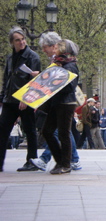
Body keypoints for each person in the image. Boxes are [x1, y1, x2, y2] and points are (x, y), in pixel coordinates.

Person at [31, 32, 82, 171]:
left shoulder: (69, 65)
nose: (56, 48)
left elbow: (70, 86)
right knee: (47, 131)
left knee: (63, 134)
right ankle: (61, 160)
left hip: (65, 103)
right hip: (57, 102)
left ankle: (65, 164)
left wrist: (55, 79)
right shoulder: (59, 64)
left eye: (59, 46)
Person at [0, 26, 41, 172]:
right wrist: (2, 96)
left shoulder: (33, 57)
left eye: (23, 39)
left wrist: (26, 99)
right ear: (12, 42)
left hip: (24, 100)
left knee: (30, 130)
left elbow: (35, 82)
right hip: (10, 100)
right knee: (3, 131)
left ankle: (31, 161)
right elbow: (7, 78)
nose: (22, 42)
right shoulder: (10, 58)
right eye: (18, 40)